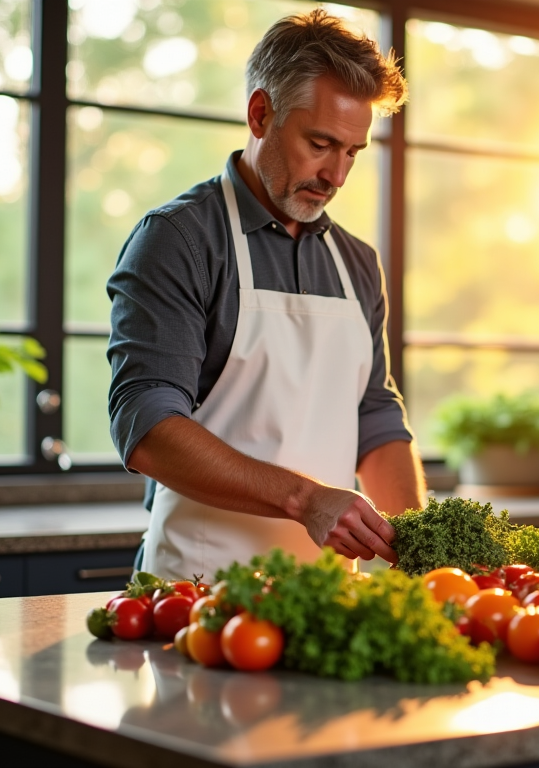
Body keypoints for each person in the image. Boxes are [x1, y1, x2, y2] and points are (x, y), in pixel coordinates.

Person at [106, 10, 424, 580]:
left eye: (353, 151)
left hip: (322, 594)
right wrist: (307, 500)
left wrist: (423, 549)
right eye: (321, 143)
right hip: (199, 592)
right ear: (260, 114)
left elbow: (374, 414)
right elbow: (148, 425)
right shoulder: (179, 239)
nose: (336, 176)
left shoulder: (357, 263)